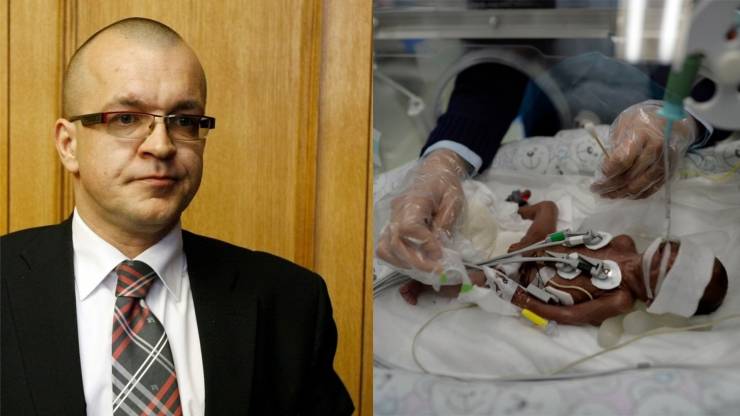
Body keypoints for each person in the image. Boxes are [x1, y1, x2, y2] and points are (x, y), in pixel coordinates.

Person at [0, 18, 353, 415]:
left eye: (184, 121)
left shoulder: (290, 302)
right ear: (69, 144)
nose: (161, 146)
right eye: (127, 118)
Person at [376, 54, 733, 279]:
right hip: (555, 118)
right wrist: (444, 160)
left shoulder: (620, 292)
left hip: (686, 108)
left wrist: (684, 118)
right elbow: (495, 57)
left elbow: (723, 54)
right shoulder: (622, 247)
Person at [397, 200, 728, 326]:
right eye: (672, 250)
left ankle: (425, 281)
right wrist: (532, 243)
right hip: (538, 245)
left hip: (522, 280)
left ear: (655, 299)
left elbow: (568, 315)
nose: (664, 256)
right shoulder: (625, 245)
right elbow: (580, 239)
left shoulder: (619, 299)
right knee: (548, 208)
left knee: (473, 279)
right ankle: (511, 210)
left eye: (666, 269)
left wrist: (522, 299)